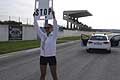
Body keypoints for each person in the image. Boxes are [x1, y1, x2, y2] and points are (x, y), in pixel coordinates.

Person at [34, 11, 58, 80]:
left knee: (54, 75)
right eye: (45, 28)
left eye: (48, 28)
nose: (46, 29)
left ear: (51, 28)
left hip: (51, 57)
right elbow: (37, 28)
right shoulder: (43, 35)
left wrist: (54, 17)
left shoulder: (54, 35)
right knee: (42, 74)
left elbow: (55, 26)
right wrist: (34, 18)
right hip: (43, 57)